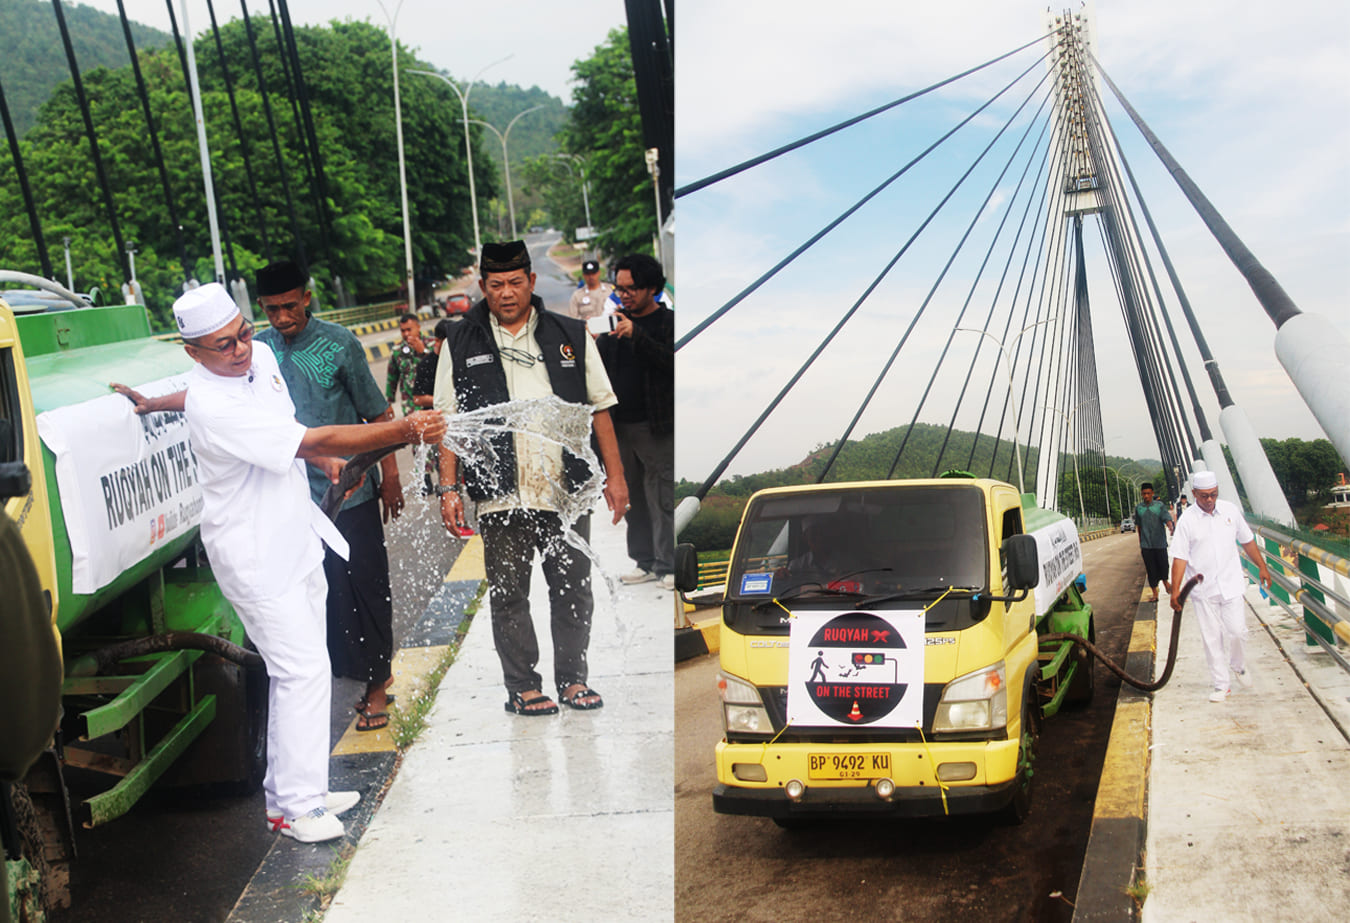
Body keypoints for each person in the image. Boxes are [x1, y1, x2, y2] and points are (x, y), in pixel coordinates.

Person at [166, 283, 445, 841]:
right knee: (301, 670)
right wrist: (402, 431)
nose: (242, 348)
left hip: (296, 531)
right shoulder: (210, 403)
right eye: (224, 345)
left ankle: (299, 793)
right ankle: (296, 808)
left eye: (244, 332)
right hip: (253, 552)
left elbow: (294, 432)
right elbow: (308, 436)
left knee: (304, 666)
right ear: (194, 353)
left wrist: (322, 455)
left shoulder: (263, 356)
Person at [434, 240, 628, 716]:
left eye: (515, 282)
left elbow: (599, 408)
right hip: (501, 493)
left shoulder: (570, 334)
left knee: (572, 588)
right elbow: (449, 422)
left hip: (564, 492)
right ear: (483, 287)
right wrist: (449, 488)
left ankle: (573, 681)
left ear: (532, 282)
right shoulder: (458, 341)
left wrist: (616, 478)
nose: (506, 293)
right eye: (496, 284)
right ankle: (522, 685)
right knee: (509, 593)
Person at [254, 260, 401, 731]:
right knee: (326, 597)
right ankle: (353, 676)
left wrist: (390, 479)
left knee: (367, 588)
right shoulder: (257, 353)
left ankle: (377, 685)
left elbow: (379, 416)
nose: (282, 318)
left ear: (307, 298)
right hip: (294, 499)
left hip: (352, 492)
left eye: (290, 306)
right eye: (272, 309)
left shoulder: (340, 344)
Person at [597, 253, 675, 588]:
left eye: (632, 288)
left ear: (652, 288)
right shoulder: (614, 323)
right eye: (620, 288)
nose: (624, 294)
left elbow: (672, 365)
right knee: (634, 498)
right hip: (620, 427)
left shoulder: (669, 323)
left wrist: (638, 337)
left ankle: (668, 564)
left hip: (656, 425)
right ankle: (644, 561)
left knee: (661, 494)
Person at [1169, 470, 1272, 703]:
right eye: (1204, 496)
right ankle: (1221, 685)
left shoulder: (1230, 511)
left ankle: (1238, 665)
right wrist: (1176, 591)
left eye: (1213, 495)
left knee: (1237, 631)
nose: (1209, 500)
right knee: (1212, 638)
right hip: (1203, 591)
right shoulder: (1187, 520)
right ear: (1194, 494)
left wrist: (1262, 567)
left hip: (1231, 583)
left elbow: (1247, 541)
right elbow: (1179, 558)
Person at [1134, 482, 1173, 602]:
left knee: (1164, 565)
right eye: (1144, 493)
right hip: (1146, 545)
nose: (1146, 496)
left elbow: (1166, 517)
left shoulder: (1159, 506)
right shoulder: (1139, 508)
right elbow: (1139, 526)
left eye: (1148, 493)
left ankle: (1166, 584)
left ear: (1152, 493)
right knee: (1150, 569)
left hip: (1160, 542)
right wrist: (1141, 541)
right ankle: (1155, 593)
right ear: (1141, 494)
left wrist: (1170, 525)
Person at [386, 312, 428, 417]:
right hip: (410, 407)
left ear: (418, 327)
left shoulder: (432, 345)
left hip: (430, 404)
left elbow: (439, 369)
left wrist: (423, 352)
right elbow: (392, 377)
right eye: (403, 331)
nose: (406, 334)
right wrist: (388, 403)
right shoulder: (397, 350)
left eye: (409, 330)